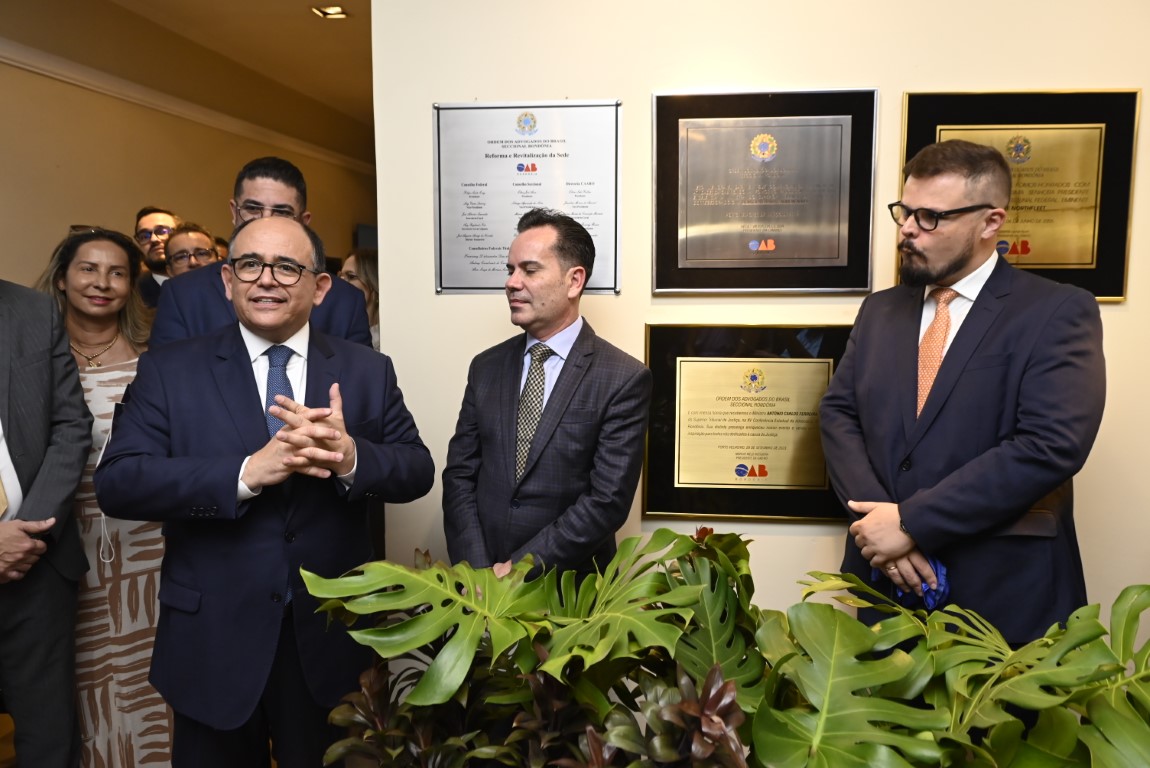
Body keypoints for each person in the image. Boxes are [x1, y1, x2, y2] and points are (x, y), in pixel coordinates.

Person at [94, 216, 434, 767]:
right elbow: (119, 482)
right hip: (212, 637)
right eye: (250, 264)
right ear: (228, 280)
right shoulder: (170, 370)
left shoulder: (366, 370)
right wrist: (246, 473)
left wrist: (350, 457)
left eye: (286, 267)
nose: (266, 279)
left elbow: (417, 470)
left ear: (319, 287)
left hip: (329, 637)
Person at [818, 139, 1106, 645]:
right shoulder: (880, 310)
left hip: (1005, 593)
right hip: (885, 588)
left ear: (990, 222)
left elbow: (1050, 444)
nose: (908, 229)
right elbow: (840, 414)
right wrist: (881, 525)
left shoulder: (1057, 310)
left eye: (930, 217)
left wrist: (911, 522)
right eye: (905, 212)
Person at [442, 208, 652, 577]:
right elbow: (460, 475)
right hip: (480, 583)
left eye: (529, 270)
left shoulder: (623, 378)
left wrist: (520, 570)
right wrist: (478, 570)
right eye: (510, 270)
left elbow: (606, 502)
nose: (511, 282)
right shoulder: (485, 368)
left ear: (574, 281)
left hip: (568, 589)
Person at [34, 227, 170, 766]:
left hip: (148, 538)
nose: (102, 283)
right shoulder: (34, 359)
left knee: (150, 663)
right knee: (83, 669)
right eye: (88, 269)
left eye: (117, 273)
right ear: (62, 279)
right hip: (66, 537)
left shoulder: (156, 356)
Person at [0, 279, 92, 766]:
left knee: (50, 741)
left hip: (37, 565)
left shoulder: (34, 310)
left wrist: (27, 533)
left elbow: (71, 424)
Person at [149, 157, 370, 347]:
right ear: (234, 212)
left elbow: (361, 379)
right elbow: (167, 377)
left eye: (282, 212)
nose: (265, 221)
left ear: (304, 221)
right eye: (253, 209)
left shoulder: (344, 301)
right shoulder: (182, 295)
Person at [134, 207, 179, 308]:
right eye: (144, 236)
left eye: (162, 231)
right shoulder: (132, 296)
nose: (154, 239)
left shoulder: (208, 281)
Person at [339, 248, 379, 350]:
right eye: (340, 277)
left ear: (372, 282)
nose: (342, 283)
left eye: (351, 276)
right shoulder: (337, 333)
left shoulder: (386, 338)